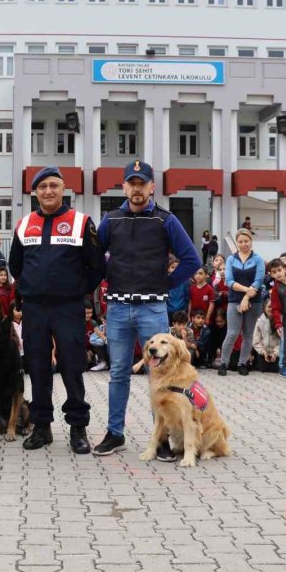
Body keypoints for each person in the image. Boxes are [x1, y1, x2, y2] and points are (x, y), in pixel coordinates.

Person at [91, 160, 199, 458]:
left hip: (152, 308)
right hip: (118, 308)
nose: (136, 189)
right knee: (118, 373)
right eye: (132, 183)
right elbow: (95, 258)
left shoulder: (166, 221)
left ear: (152, 187)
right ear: (124, 187)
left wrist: (165, 283)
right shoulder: (111, 220)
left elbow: (191, 260)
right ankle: (115, 433)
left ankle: (161, 440)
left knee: (159, 374)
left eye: (142, 183)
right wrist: (104, 278)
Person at [9, 165, 105, 454]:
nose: (48, 191)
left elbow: (97, 266)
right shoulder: (24, 224)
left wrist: (76, 290)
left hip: (68, 308)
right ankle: (42, 427)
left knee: (72, 367)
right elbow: (15, 265)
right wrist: (30, 289)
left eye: (53, 185)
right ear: (34, 192)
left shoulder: (81, 222)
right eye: (42, 187)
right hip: (35, 308)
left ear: (64, 189)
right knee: (38, 367)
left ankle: (78, 428)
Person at [217, 228, 264, 377]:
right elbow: (229, 281)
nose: (244, 244)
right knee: (232, 333)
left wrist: (246, 298)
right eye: (240, 241)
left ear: (251, 241)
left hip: (254, 301)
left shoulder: (258, 259)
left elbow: (258, 280)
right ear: (237, 243)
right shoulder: (231, 259)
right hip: (234, 300)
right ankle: (223, 363)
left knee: (248, 334)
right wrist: (246, 291)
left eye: (246, 241)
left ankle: (243, 363)